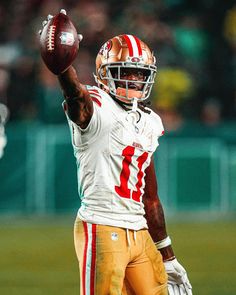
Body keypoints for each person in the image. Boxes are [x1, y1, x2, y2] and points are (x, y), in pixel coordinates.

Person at [40, 10, 192, 295]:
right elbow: (76, 97)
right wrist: (62, 67)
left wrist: (168, 254)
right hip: (102, 226)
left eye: (140, 73)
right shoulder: (96, 107)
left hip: (139, 230)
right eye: (126, 72)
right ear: (104, 73)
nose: (134, 81)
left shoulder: (149, 121)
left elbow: (151, 197)